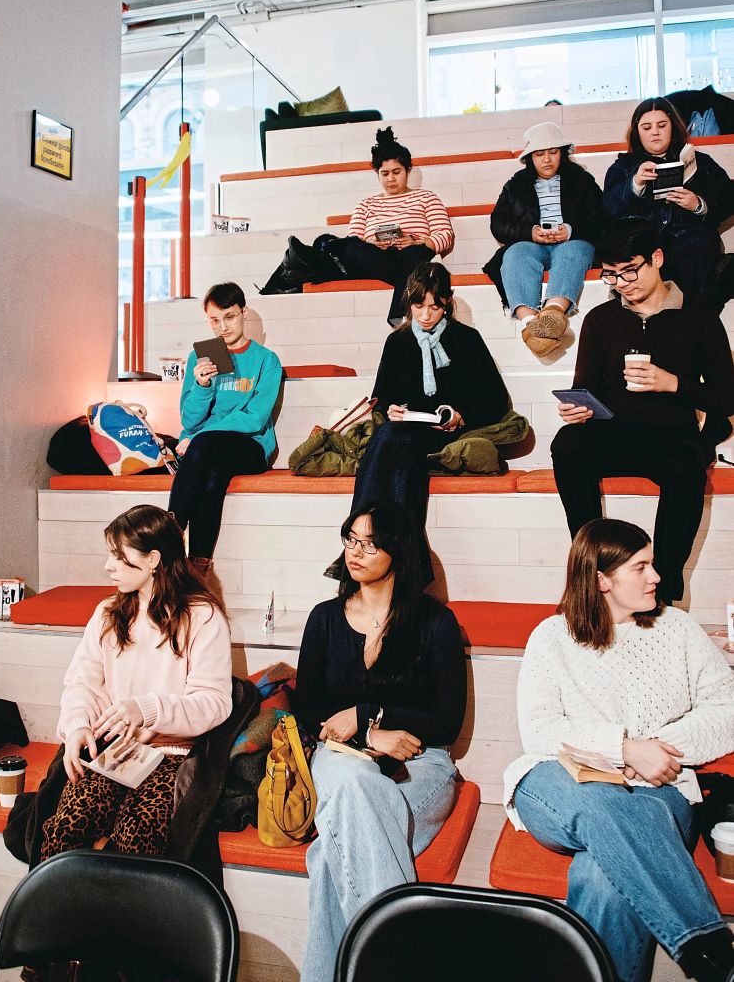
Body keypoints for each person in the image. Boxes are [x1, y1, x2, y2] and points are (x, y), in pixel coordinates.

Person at [504, 517, 734, 982]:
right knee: (604, 806)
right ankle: (710, 949)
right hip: (559, 783)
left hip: (657, 786)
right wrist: (626, 748)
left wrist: (656, 752)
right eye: (641, 566)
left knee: (601, 878)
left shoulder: (679, 629)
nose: (657, 577)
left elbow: (727, 710)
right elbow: (541, 730)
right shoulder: (551, 636)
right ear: (601, 579)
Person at [295, 503, 466, 982]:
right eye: (351, 539)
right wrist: (368, 734)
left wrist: (367, 715)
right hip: (338, 757)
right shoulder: (325, 618)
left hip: (422, 762)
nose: (356, 552)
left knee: (332, 851)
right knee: (351, 782)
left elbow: (446, 721)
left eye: (370, 543)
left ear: (399, 550)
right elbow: (307, 708)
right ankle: (402, 962)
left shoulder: (435, 622)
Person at [551, 218, 734, 604]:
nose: (623, 283)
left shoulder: (698, 316)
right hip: (613, 431)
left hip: (671, 433)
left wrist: (673, 384)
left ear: (657, 258)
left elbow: (726, 398)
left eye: (631, 270)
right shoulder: (600, 319)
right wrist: (577, 409)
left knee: (688, 466)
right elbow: (585, 387)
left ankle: (662, 590)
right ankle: (594, 570)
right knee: (567, 444)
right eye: (612, 276)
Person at [40, 504, 232, 860]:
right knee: (65, 828)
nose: (107, 566)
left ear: (153, 559)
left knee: (138, 838)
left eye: (118, 555)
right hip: (114, 750)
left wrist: (145, 709)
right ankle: (57, 916)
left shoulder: (203, 616)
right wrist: (78, 725)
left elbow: (214, 702)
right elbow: (83, 681)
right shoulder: (107, 613)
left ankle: (129, 917)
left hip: (173, 755)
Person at [346, 261, 511, 581]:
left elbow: (495, 401)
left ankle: (359, 543)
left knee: (391, 442)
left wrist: (461, 415)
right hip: (404, 429)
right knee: (392, 437)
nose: (425, 315)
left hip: (444, 430)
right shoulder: (397, 341)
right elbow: (380, 397)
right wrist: (390, 410)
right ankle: (404, 559)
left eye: (434, 307)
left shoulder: (467, 339)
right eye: (418, 306)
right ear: (409, 303)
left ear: (447, 303)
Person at [282, 126, 454, 325]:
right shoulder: (365, 204)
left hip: (412, 253)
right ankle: (403, 304)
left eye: (396, 172)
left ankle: (398, 311)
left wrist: (417, 241)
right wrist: (371, 242)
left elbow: (445, 234)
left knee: (417, 257)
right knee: (350, 247)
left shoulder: (426, 197)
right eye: (385, 173)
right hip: (375, 257)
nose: (391, 179)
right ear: (377, 174)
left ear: (407, 170)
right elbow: (353, 239)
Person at [168, 281, 282, 573]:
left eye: (229, 317)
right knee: (214, 474)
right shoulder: (202, 357)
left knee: (205, 447)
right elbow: (189, 421)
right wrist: (203, 385)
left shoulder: (266, 361)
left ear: (243, 313)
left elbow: (255, 418)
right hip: (206, 452)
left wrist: (199, 437)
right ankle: (199, 566)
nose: (222, 327)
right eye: (214, 320)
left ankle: (168, 534)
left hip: (251, 446)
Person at [483, 121, 604, 357]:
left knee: (575, 251)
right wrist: (529, 232)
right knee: (515, 254)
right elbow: (498, 224)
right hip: (532, 244)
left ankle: (552, 313)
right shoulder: (515, 184)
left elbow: (600, 216)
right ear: (531, 157)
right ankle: (531, 323)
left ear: (562, 153)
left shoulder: (581, 179)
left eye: (553, 152)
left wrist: (570, 230)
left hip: (570, 241)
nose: (547, 159)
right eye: (539, 154)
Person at [603, 96, 734, 301]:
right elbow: (609, 211)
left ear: (672, 127)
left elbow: (728, 198)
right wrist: (635, 184)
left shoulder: (701, 161)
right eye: (646, 127)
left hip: (690, 238)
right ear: (637, 132)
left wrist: (698, 204)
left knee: (693, 248)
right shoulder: (623, 167)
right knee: (645, 256)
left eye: (662, 125)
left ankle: (690, 319)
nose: (655, 132)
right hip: (644, 238)